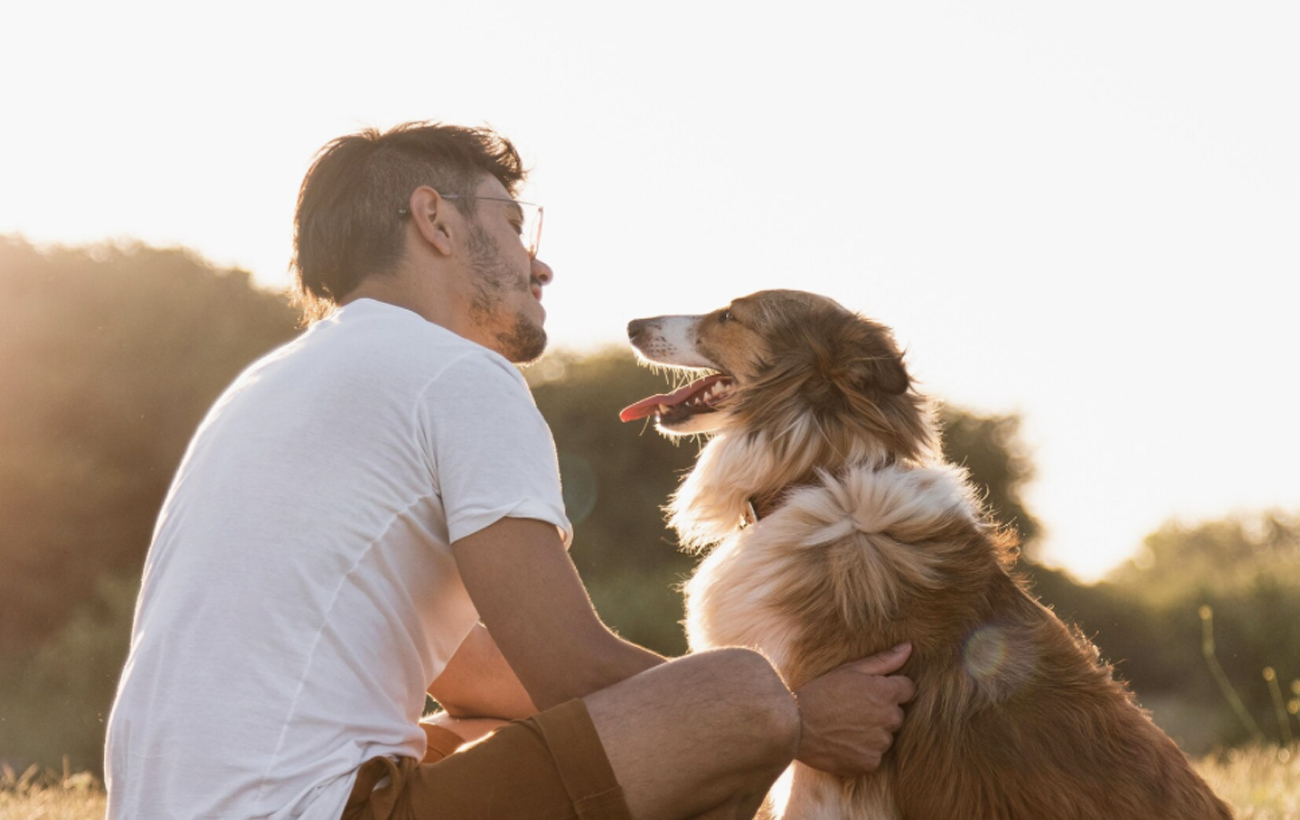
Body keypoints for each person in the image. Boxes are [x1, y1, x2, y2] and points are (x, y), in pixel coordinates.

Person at [104, 122, 916, 820]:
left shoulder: (277, 382)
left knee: (476, 732)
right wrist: (797, 717)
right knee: (738, 692)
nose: (540, 265)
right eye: (513, 222)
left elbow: (470, 669)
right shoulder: (455, 375)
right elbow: (571, 669)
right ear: (436, 221)